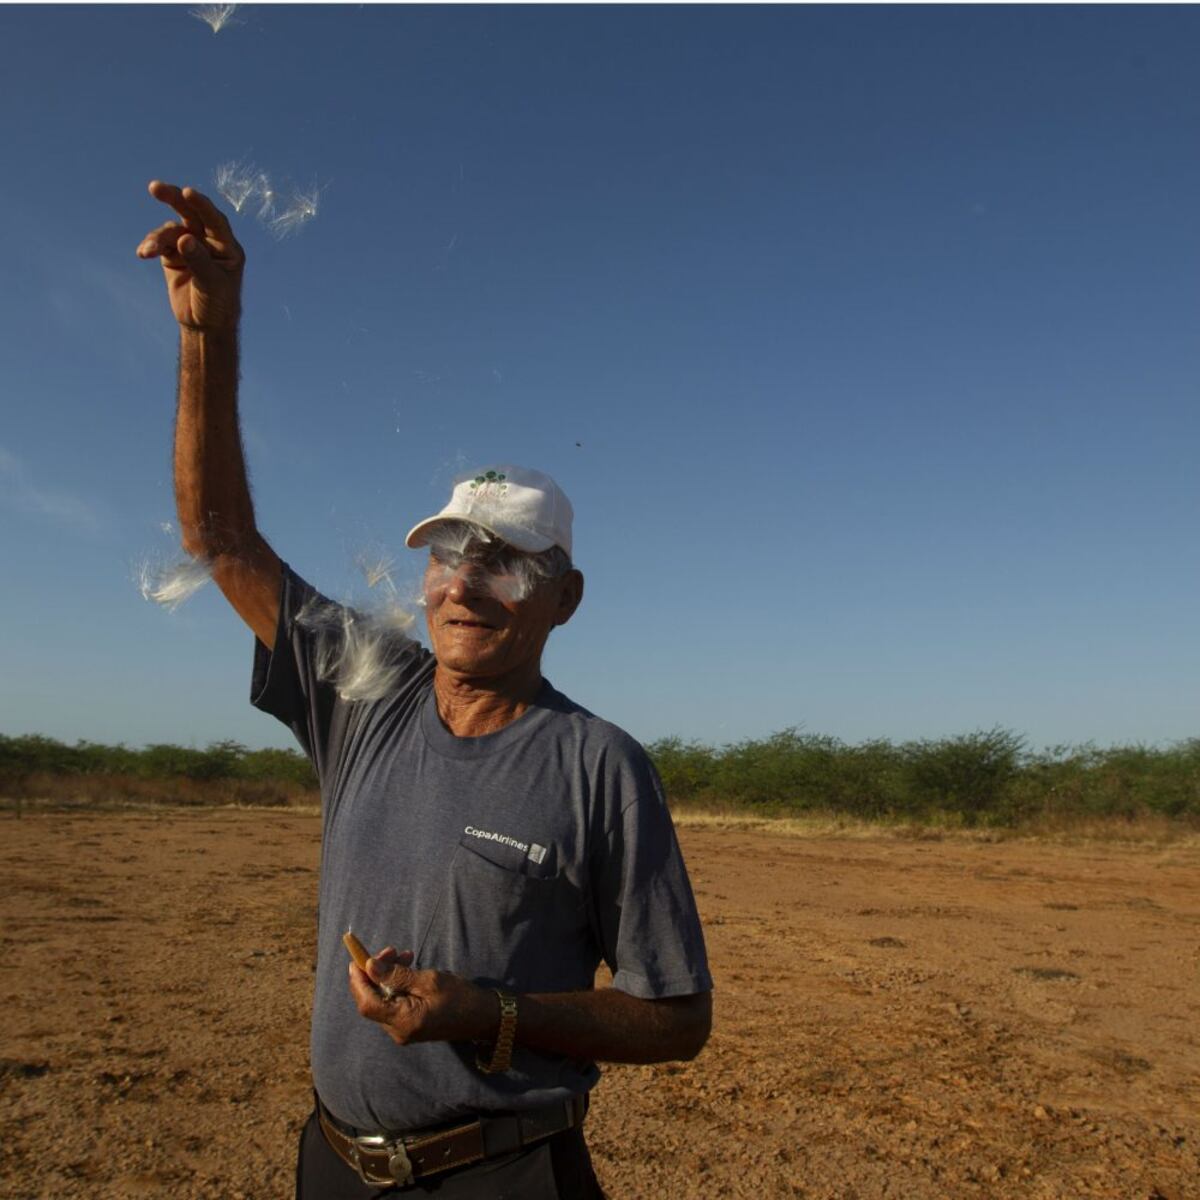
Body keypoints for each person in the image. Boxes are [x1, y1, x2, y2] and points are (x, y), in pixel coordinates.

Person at [136, 181, 713, 1198]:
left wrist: (489, 1013)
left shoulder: (598, 766)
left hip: (504, 1173)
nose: (462, 585)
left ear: (564, 599)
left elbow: (676, 1017)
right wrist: (207, 336)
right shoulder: (367, 693)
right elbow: (218, 537)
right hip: (333, 1162)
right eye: (447, 554)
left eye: (503, 563)